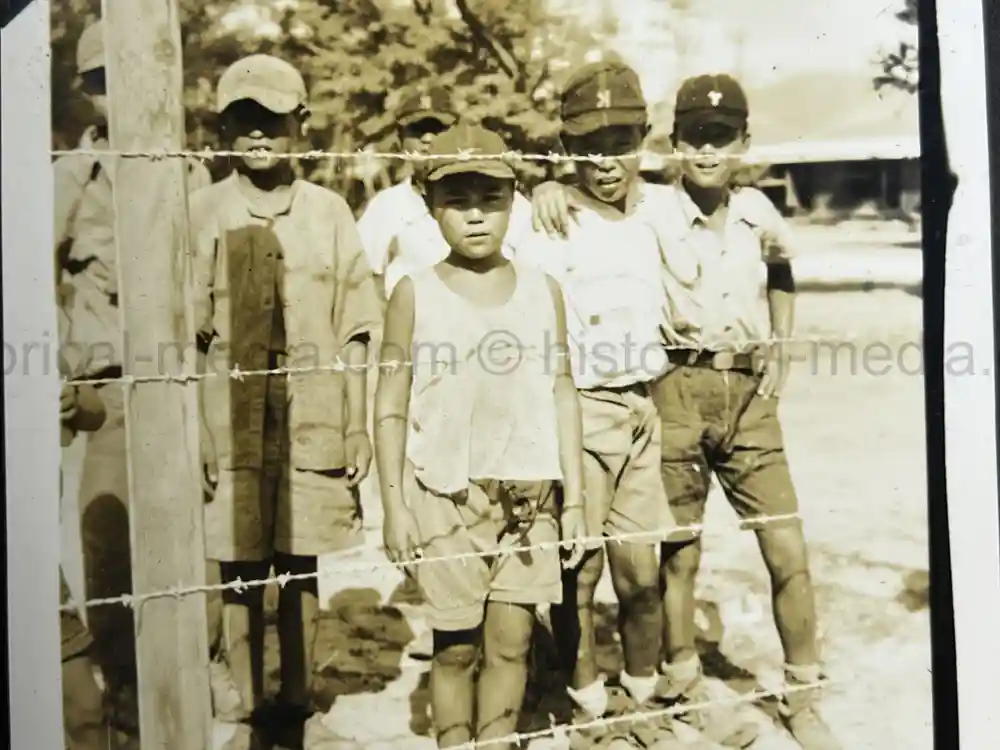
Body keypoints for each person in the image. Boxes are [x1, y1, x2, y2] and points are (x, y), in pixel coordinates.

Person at [531, 73, 840, 750]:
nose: (706, 152)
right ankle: (680, 677)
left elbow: (783, 268)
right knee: (677, 551)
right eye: (694, 138)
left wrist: (781, 351)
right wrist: (548, 185)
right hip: (672, 385)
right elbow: (586, 198)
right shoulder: (650, 206)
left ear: (744, 143)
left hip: (748, 394)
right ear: (671, 144)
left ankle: (804, 693)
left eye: (720, 138)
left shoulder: (759, 210)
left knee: (786, 545)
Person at [373, 122, 587, 749]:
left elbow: (561, 390)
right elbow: (389, 404)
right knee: (456, 649)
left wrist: (572, 499)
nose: (475, 217)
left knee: (513, 644)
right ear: (430, 206)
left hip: (529, 504)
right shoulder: (413, 293)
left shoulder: (542, 291)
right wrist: (393, 507)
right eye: (456, 201)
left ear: (514, 201)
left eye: (491, 200)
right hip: (444, 500)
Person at [189, 54, 382, 745]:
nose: (257, 135)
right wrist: (200, 436)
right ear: (224, 127)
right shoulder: (201, 211)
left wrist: (357, 425)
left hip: (315, 417)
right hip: (229, 420)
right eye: (243, 120)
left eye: (272, 120)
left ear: (300, 125)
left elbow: (359, 324)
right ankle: (245, 703)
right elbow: (185, 340)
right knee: (238, 570)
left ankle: (296, 699)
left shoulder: (329, 212)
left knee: (302, 565)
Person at [513, 61, 699, 750]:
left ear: (645, 138)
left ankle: (643, 698)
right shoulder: (549, 222)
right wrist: (544, 187)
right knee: (579, 569)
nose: (605, 160)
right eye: (586, 146)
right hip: (578, 410)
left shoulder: (655, 210)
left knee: (640, 575)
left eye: (621, 141)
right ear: (564, 147)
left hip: (642, 410)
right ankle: (585, 703)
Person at [52, 17, 213, 734]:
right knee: (108, 547)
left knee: (189, 542)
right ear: (87, 93)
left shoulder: (189, 170)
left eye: (129, 79)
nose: (118, 97)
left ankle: (190, 691)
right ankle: (121, 693)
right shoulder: (66, 178)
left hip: (180, 383)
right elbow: (36, 275)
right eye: (102, 84)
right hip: (107, 392)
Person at [356, 87, 536, 304]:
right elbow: (363, 279)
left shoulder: (503, 202)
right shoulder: (386, 206)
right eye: (417, 130)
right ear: (400, 140)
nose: (428, 138)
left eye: (438, 129)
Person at [58, 307, 113, 750]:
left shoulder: (25, 324)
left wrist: (73, 400)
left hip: (35, 571)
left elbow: (93, 408)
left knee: (86, 710)